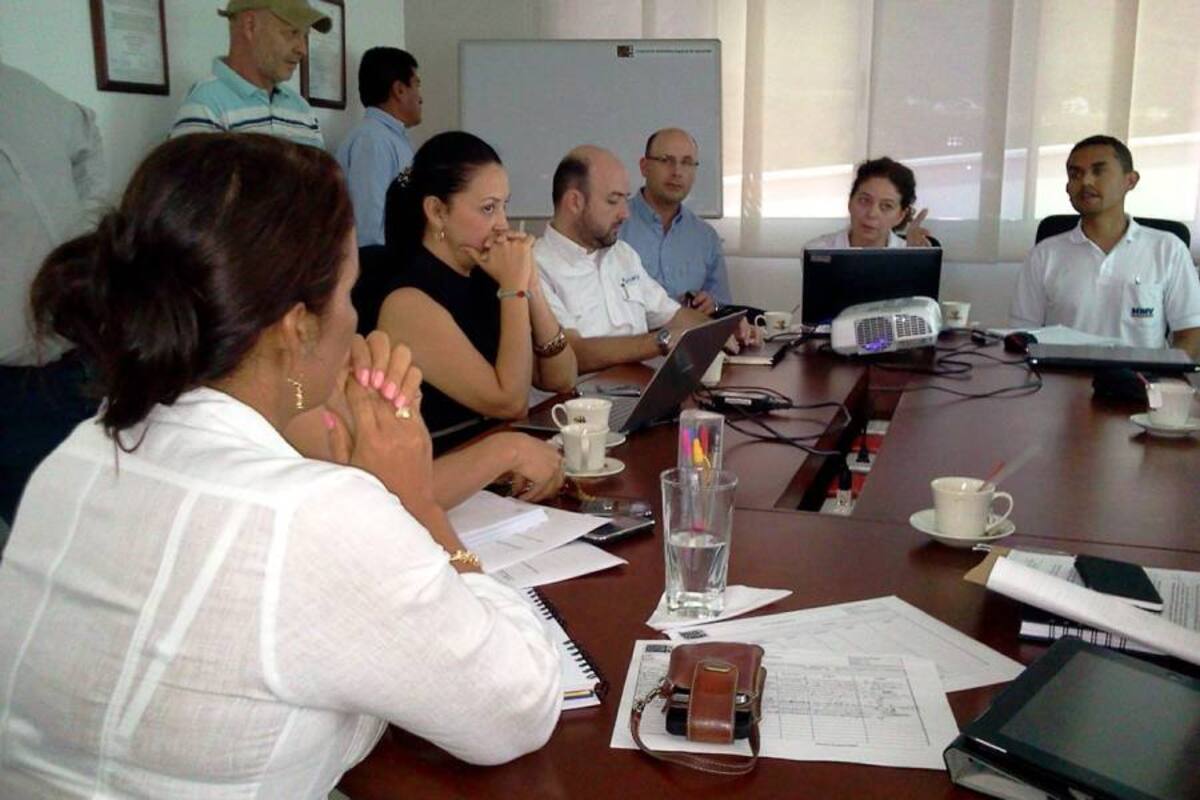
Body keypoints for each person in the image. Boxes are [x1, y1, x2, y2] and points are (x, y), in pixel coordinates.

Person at [0, 134, 561, 798]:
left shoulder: (84, 451)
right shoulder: (315, 514)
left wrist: (334, 417)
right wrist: (418, 508)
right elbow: (518, 708)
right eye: (351, 296)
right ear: (297, 327)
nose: (356, 322)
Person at [362, 131, 577, 453]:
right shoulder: (408, 301)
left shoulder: (486, 275)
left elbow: (562, 379)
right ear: (437, 212)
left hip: (505, 461)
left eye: (505, 207)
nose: (503, 224)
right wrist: (514, 290)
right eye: (488, 209)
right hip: (448, 472)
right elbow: (509, 402)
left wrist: (531, 284)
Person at [535, 145, 755, 374]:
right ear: (575, 202)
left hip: (640, 393)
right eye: (613, 201)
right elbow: (573, 353)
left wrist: (719, 330)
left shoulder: (622, 255)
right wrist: (661, 341)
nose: (625, 213)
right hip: (580, 406)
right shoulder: (535, 267)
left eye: (625, 200)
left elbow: (673, 315)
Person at [0, 62, 105, 535]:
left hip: (63, 363)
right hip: (19, 372)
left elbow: (88, 140)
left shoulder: (23, 90)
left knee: (77, 531)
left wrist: (80, 237)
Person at [1010, 135, 1200, 358]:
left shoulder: (1168, 249)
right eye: (1075, 174)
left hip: (1141, 384)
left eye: (1098, 171)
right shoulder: (1044, 255)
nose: (1086, 182)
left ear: (1130, 181)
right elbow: (1022, 335)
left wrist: (1162, 379)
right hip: (1060, 383)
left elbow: (1191, 333)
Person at [169, 0, 330, 147]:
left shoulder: (302, 109)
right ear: (250, 25)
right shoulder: (206, 107)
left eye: (305, 36)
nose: (302, 50)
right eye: (292, 32)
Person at [618, 128, 731, 314]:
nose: (677, 172)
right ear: (644, 167)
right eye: (666, 161)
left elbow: (724, 307)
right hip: (629, 340)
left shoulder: (705, 237)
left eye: (687, 163)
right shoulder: (615, 224)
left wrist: (713, 305)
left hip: (690, 340)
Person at [336, 47, 422, 247]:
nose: (421, 97)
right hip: (381, 268)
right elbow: (369, 229)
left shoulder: (391, 138)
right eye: (417, 84)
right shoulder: (372, 141)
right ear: (399, 90)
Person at [804, 156, 935, 250]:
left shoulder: (910, 252)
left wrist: (911, 261)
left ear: (900, 216)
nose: (872, 213)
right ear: (850, 202)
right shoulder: (818, 250)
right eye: (864, 200)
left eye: (886, 206)